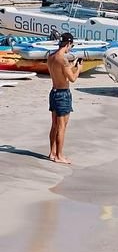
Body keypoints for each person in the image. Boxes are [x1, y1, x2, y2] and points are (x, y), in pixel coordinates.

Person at [46, 32, 82, 165]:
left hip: (54, 92)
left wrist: (72, 65)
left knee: (54, 125)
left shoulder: (51, 57)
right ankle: (59, 156)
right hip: (63, 94)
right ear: (68, 44)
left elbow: (60, 70)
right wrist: (79, 69)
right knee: (62, 126)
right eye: (71, 46)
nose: (70, 48)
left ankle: (52, 152)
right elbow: (72, 79)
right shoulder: (63, 59)